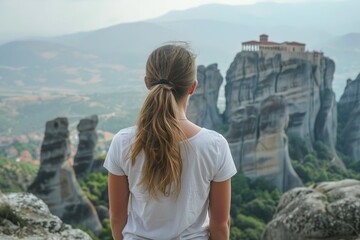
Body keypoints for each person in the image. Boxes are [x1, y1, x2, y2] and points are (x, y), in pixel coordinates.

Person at [103, 44, 237, 240]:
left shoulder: (122, 143)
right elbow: (220, 225)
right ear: (193, 86)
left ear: (147, 82)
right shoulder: (215, 146)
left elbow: (117, 219)